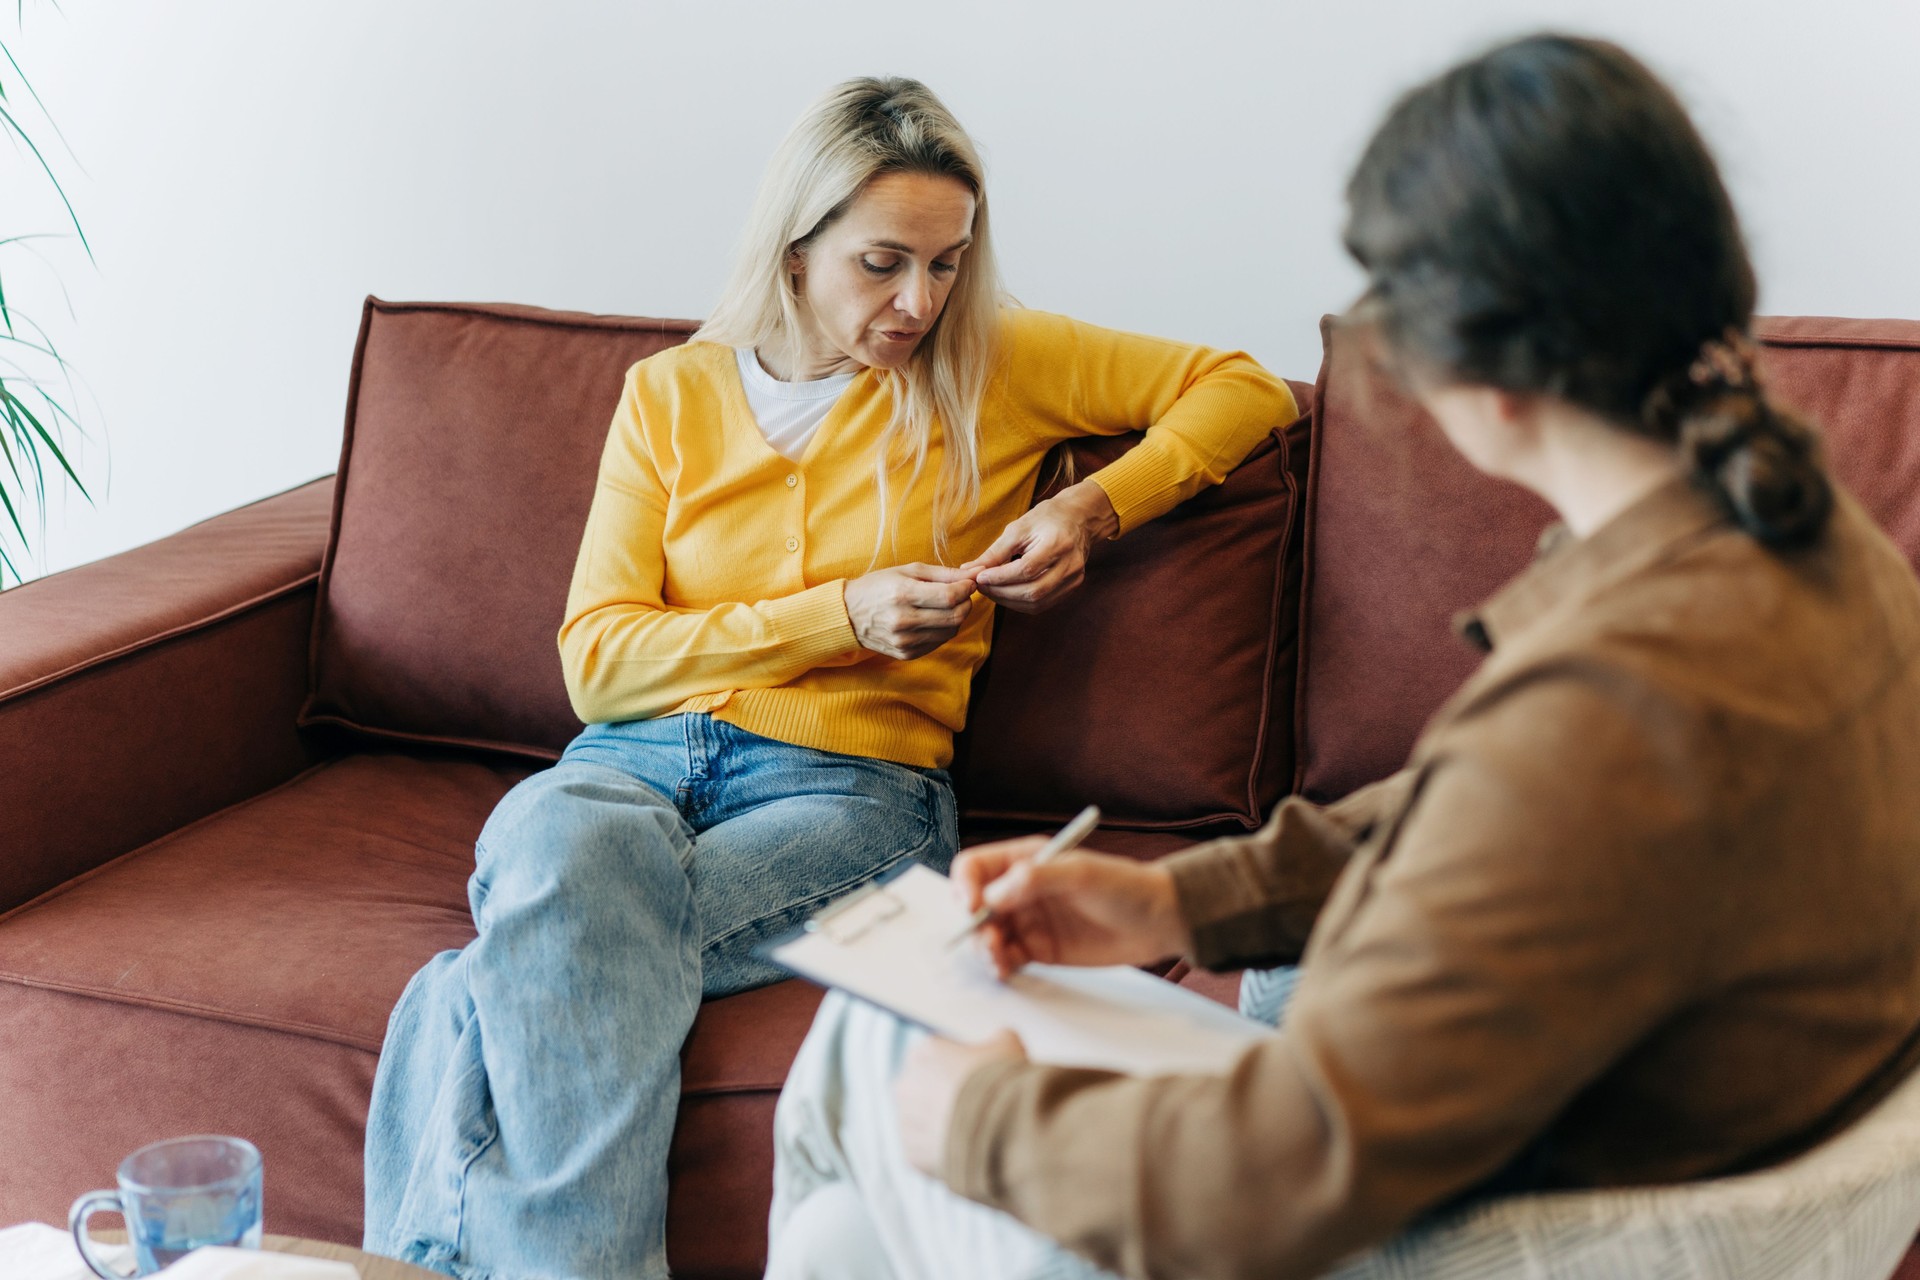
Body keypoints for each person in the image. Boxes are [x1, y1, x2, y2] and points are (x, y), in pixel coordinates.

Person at [765, 34, 1920, 1280]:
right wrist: (1170, 901)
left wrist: (984, 1120)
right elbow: (1494, 828)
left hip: (1477, 1235)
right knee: (847, 1238)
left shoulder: (1604, 703)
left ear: (1477, 365)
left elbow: (1282, 1173)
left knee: (878, 1037)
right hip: (1617, 1171)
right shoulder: (1817, 553)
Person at [358, 75, 1296, 1280]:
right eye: (884, 262)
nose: (921, 300)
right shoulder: (669, 396)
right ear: (795, 251)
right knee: (558, 861)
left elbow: (1241, 384)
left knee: (535, 950)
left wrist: (1086, 508)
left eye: (949, 263)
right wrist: (836, 613)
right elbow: (597, 663)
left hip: (851, 788)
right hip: (626, 764)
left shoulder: (993, 361)